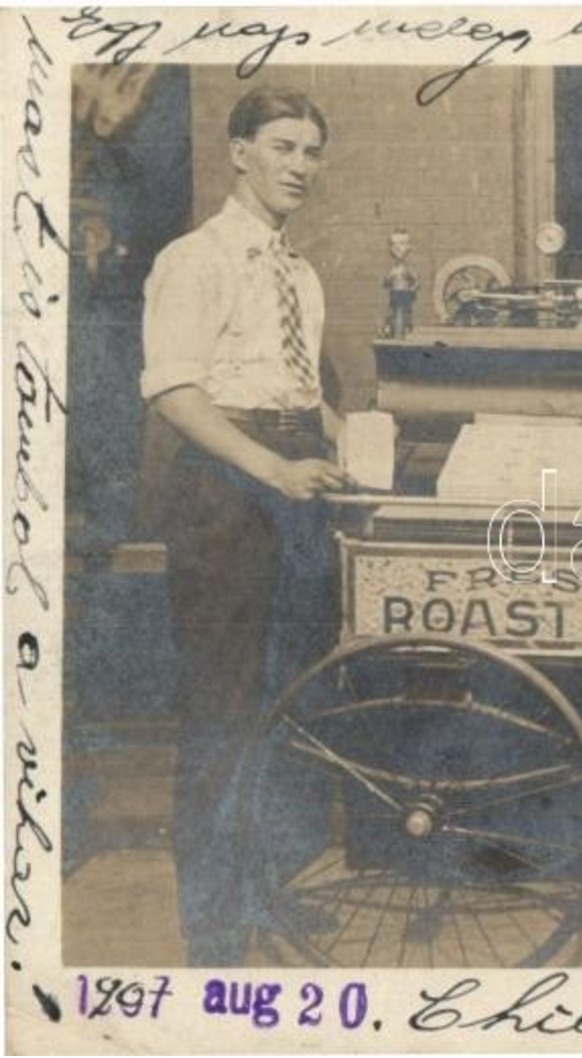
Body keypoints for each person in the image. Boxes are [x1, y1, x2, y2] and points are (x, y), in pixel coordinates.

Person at [141, 86, 348, 965]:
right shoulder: (195, 260)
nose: (300, 165)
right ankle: (215, 934)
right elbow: (176, 392)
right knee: (223, 714)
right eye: (283, 147)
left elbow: (300, 391)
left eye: (311, 150)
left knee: (286, 705)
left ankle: (267, 894)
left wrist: (345, 437)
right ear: (238, 151)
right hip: (228, 495)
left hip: (295, 482)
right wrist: (271, 467)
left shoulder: (299, 271)